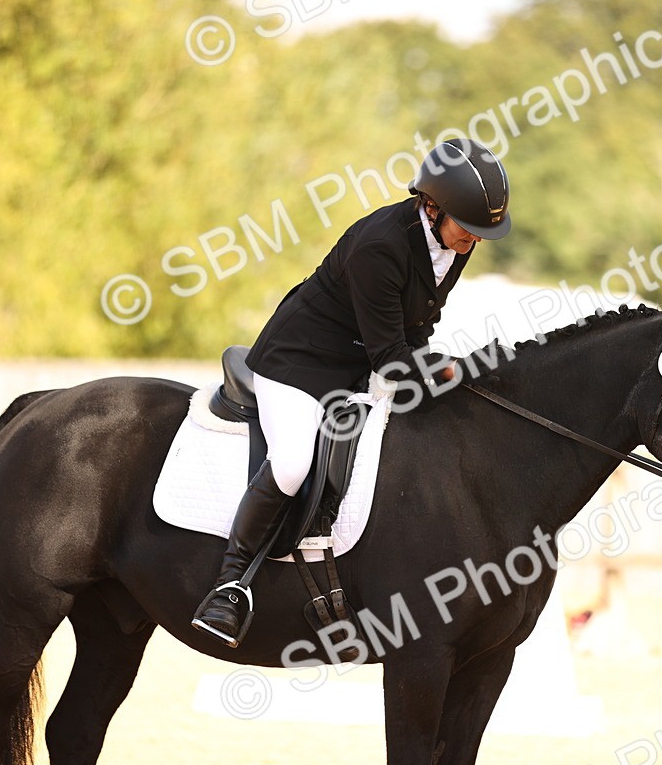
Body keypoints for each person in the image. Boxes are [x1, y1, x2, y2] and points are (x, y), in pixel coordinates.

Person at [192, 138, 511, 647]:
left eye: (480, 233)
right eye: (468, 229)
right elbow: (391, 358)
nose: (473, 241)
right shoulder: (380, 245)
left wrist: (448, 368)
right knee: (294, 461)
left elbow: (417, 326)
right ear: (433, 207)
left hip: (357, 366)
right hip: (299, 363)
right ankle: (229, 584)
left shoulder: (452, 243)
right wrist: (448, 372)